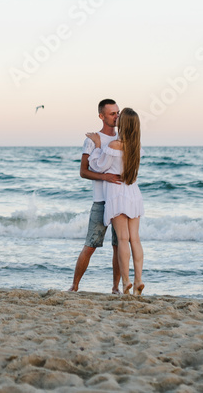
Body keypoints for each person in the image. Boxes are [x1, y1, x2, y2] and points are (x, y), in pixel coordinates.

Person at [86, 107, 144, 295]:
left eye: (120, 117)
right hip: (134, 194)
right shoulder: (137, 147)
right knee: (135, 239)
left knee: (122, 239)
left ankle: (125, 281)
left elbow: (97, 166)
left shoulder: (114, 146)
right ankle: (138, 281)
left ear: (124, 124)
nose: (116, 117)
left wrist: (96, 145)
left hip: (118, 194)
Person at [70, 99, 126, 293]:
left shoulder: (123, 138)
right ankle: (74, 286)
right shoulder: (92, 140)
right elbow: (83, 172)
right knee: (90, 245)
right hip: (101, 202)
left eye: (118, 112)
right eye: (112, 113)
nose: (117, 116)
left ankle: (115, 288)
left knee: (119, 247)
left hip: (120, 200)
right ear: (101, 116)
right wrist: (105, 177)